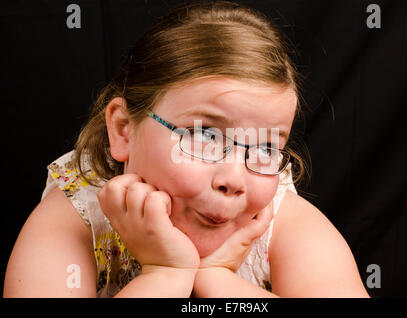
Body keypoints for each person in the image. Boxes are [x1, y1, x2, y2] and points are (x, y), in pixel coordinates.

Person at [4, 0, 369, 298]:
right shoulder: (74, 221)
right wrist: (164, 275)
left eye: (265, 147)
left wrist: (219, 282)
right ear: (123, 129)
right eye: (205, 136)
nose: (234, 179)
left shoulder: (277, 222)